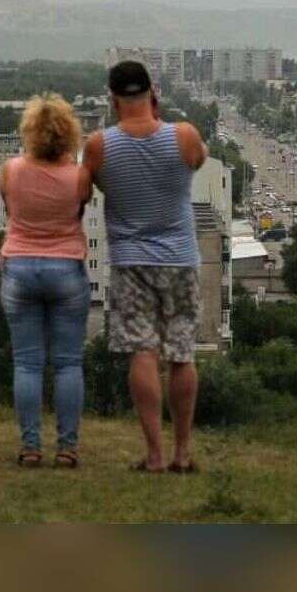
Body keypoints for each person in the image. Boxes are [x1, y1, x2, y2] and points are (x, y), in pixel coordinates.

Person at [83, 60, 207, 474]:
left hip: (130, 260)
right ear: (153, 92)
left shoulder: (100, 145)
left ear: (113, 98)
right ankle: (182, 452)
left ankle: (153, 454)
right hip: (181, 258)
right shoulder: (184, 136)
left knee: (143, 351)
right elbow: (198, 160)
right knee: (182, 353)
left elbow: (91, 186)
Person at [0, 94, 92, 468]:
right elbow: (79, 211)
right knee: (68, 363)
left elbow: (9, 209)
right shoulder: (79, 176)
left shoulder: (11, 171)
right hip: (66, 268)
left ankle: (30, 446)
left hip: (20, 268)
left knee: (27, 364)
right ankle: (67, 448)